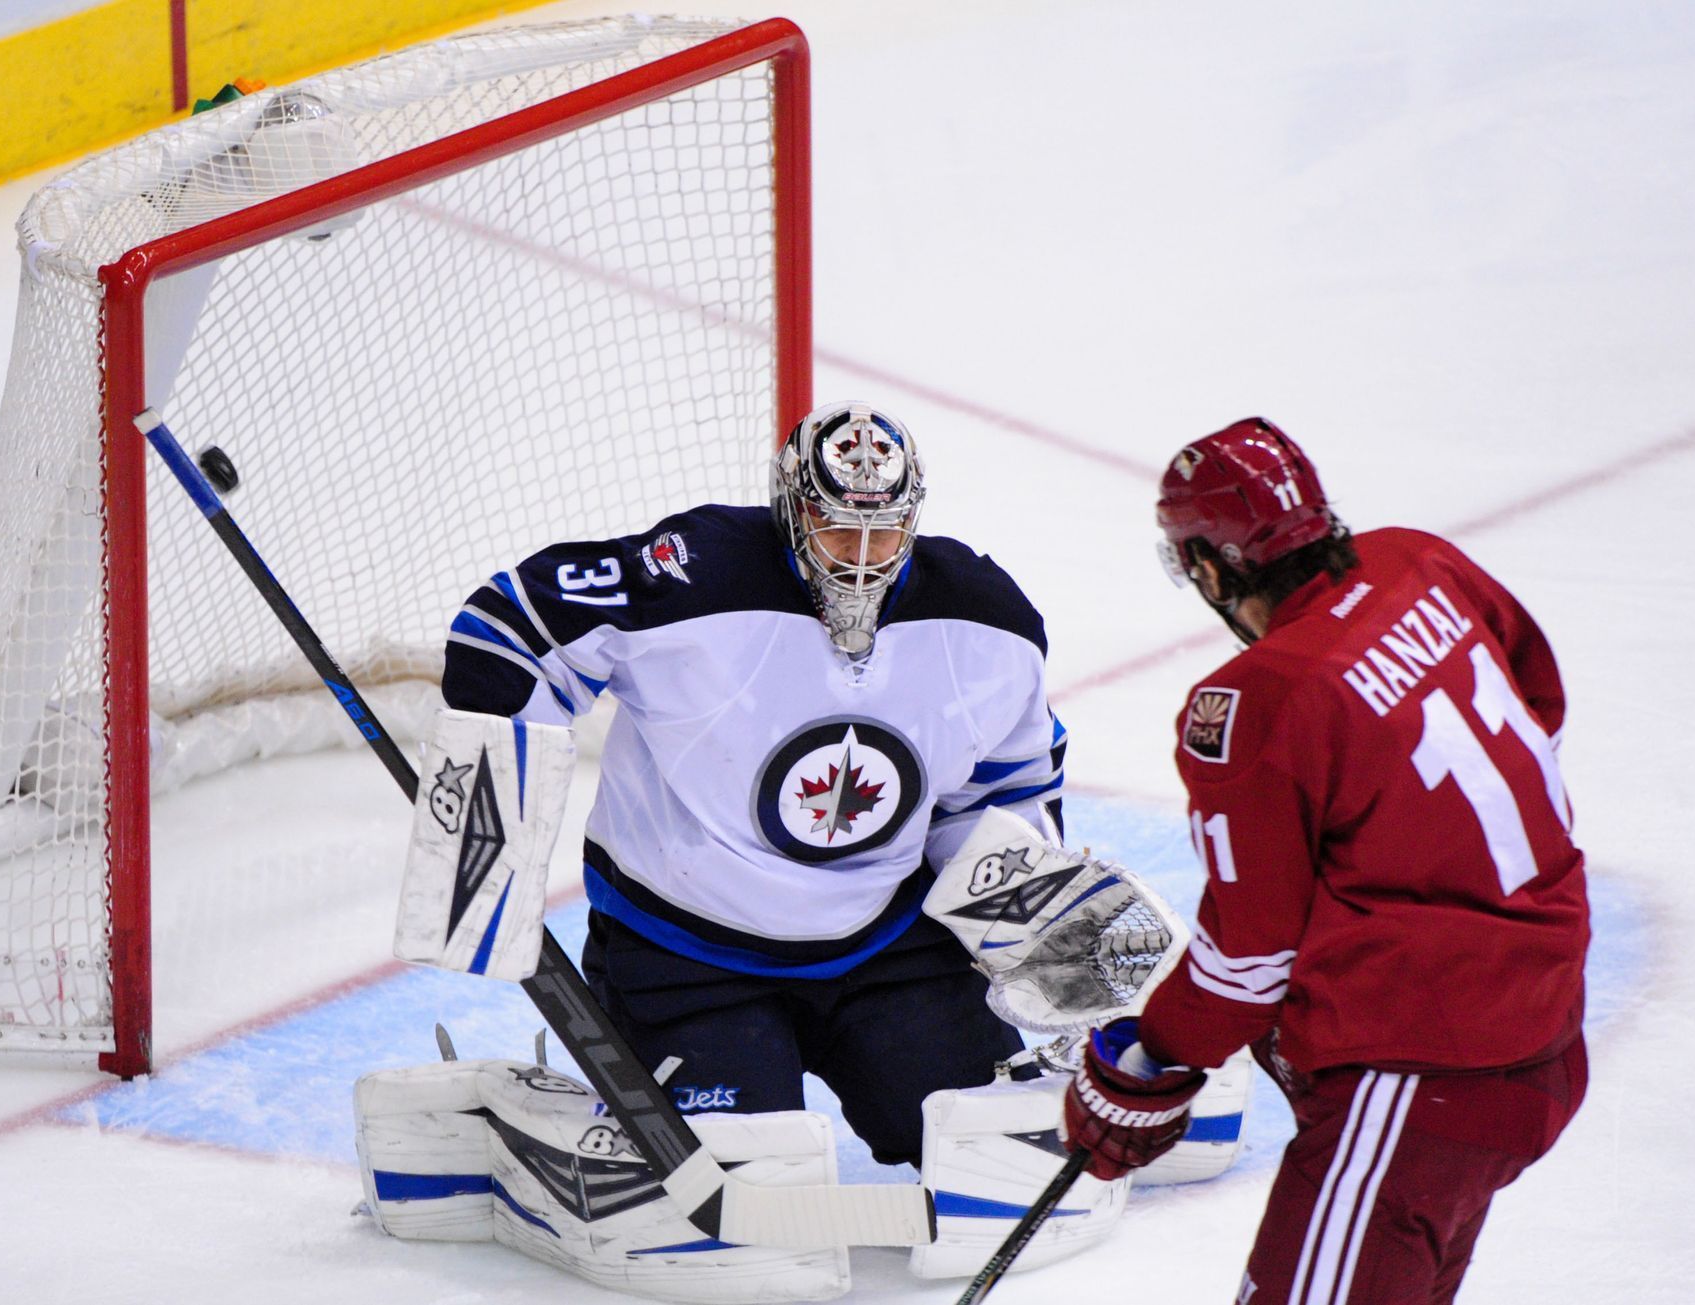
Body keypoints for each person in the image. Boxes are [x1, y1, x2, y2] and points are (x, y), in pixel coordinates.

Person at [435, 401, 1066, 1167]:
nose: (860, 558)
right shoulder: (696, 574)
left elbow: (1002, 786)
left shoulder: (985, 622)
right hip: (687, 955)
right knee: (743, 1174)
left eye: (884, 532)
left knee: (988, 1149)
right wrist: (492, 821)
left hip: (887, 947)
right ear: (792, 513)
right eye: (836, 530)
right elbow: (505, 627)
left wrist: (1024, 917)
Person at [1063, 417, 1590, 1304]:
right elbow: (1540, 705)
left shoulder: (1257, 697)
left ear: (1209, 566)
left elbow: (1247, 962)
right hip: (1540, 1030)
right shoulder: (1421, 562)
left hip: (1421, 1079)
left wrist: (1149, 1061)